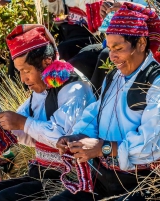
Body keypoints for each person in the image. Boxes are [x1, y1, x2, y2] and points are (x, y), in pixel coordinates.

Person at [0, 24, 96, 201]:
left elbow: (61, 136)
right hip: (41, 174)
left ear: (47, 62)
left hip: (67, 179)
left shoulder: (74, 87)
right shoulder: (40, 90)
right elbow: (29, 134)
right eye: (20, 71)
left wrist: (22, 123)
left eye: (26, 71)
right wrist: (3, 126)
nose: (23, 79)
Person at [53, 2, 160, 200]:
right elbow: (98, 112)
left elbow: (152, 146)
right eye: (109, 48)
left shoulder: (156, 81)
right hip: (104, 179)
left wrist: (101, 147)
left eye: (118, 48)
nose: (112, 57)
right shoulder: (114, 77)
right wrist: (78, 137)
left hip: (140, 185)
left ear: (142, 44)